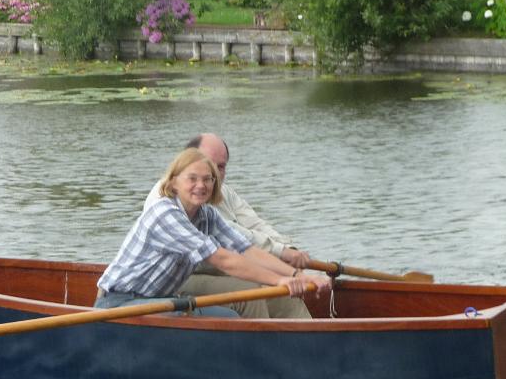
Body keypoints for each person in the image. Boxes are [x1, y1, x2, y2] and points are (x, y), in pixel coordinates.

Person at [96, 148, 331, 317]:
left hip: (158, 300)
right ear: (174, 182)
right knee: (216, 318)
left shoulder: (207, 215)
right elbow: (223, 259)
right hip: (119, 304)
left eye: (207, 179)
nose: (201, 185)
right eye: (193, 179)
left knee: (231, 313)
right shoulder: (164, 213)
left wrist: (297, 276)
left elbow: (246, 250)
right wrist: (281, 280)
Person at [144, 133, 314, 318]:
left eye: (221, 167)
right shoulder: (166, 200)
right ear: (186, 161)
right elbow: (229, 248)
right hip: (172, 278)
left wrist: (288, 251)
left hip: (212, 268)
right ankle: (261, 344)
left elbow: (252, 227)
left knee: (281, 291)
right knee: (251, 291)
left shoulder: (218, 194)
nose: (213, 174)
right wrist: (282, 256)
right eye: (208, 164)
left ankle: (307, 341)